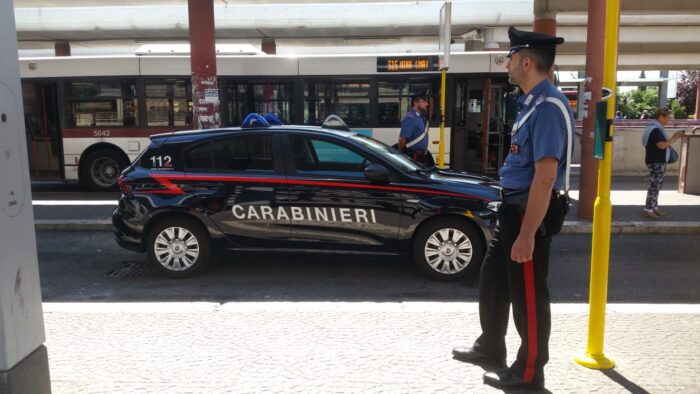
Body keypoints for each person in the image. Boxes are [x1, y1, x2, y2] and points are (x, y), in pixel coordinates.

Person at [451, 26, 572, 390]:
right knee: (492, 280)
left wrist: (528, 234)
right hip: (513, 207)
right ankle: (491, 346)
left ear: (526, 61)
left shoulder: (548, 106)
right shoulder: (531, 102)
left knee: (528, 295)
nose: (505, 63)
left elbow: (546, 176)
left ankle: (530, 370)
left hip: (528, 211)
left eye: (508, 57)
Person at [641, 108, 684, 219]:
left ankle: (654, 207)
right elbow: (662, 145)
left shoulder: (653, 128)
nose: (669, 120)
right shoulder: (655, 130)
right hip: (656, 161)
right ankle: (648, 209)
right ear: (661, 117)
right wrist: (675, 137)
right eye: (668, 118)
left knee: (657, 185)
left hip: (656, 160)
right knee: (655, 186)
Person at [398, 90, 435, 167]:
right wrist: (402, 155)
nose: (427, 104)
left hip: (422, 157)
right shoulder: (410, 118)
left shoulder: (420, 117)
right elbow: (402, 140)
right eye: (424, 101)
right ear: (416, 103)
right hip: (414, 157)